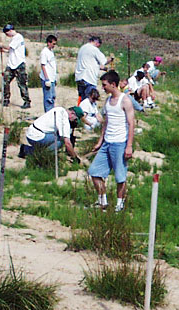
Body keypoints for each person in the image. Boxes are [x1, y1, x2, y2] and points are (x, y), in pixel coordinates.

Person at [88, 71, 135, 212]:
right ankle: (102, 201)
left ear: (113, 85)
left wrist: (129, 146)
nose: (103, 88)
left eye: (105, 85)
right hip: (107, 142)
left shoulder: (125, 100)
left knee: (120, 177)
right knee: (94, 172)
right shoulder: (108, 101)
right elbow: (106, 122)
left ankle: (119, 205)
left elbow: (131, 124)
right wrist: (100, 141)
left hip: (120, 143)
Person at [0, 24, 31, 109]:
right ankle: (6, 99)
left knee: (22, 84)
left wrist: (2, 45)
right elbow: (12, 51)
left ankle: (27, 101)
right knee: (5, 81)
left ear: (10, 31)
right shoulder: (14, 39)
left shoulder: (18, 37)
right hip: (11, 64)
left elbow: (10, 47)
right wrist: (4, 50)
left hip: (19, 64)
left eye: (6, 34)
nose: (7, 36)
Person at [74, 36, 110, 100]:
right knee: (90, 100)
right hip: (89, 78)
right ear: (97, 43)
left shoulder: (82, 48)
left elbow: (89, 63)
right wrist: (110, 59)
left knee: (82, 100)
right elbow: (104, 61)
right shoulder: (94, 49)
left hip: (80, 77)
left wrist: (103, 68)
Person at [39, 35, 58, 112]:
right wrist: (47, 79)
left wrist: (55, 78)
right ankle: (48, 113)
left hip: (52, 78)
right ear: (48, 43)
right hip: (47, 78)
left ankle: (51, 111)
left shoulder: (51, 52)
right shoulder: (44, 52)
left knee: (53, 96)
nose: (54, 46)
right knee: (48, 98)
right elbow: (43, 65)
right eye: (53, 44)